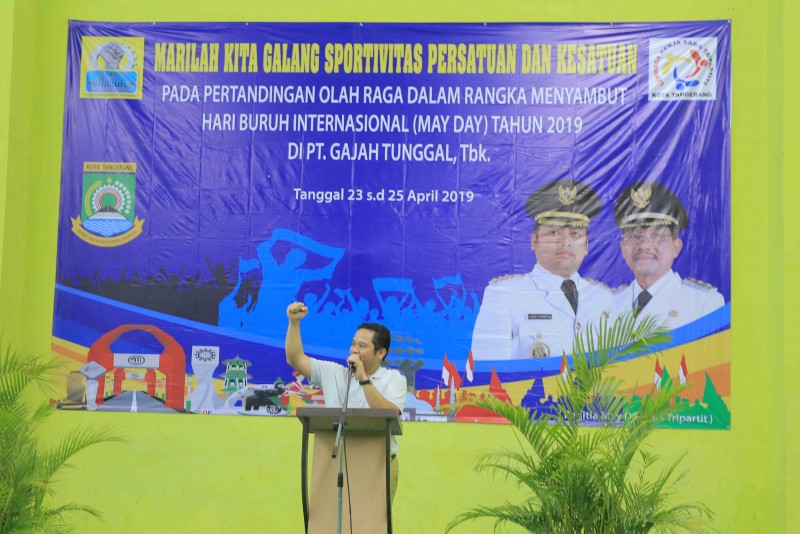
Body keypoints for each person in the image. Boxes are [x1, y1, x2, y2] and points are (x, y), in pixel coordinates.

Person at [471, 179, 615, 360]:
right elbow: (489, 370)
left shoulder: (604, 298)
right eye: (554, 232)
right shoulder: (504, 295)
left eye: (575, 234)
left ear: (586, 245)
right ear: (534, 241)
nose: (566, 242)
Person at [285, 302, 407, 500]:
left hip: (379, 466)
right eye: (353, 344)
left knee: (371, 520)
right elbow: (295, 359)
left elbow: (389, 415)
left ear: (381, 353)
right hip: (338, 464)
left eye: (362, 346)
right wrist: (293, 323)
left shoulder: (394, 379)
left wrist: (363, 378)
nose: (354, 350)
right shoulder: (333, 373)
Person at [613, 181, 724, 328]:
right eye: (635, 236)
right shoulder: (607, 304)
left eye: (656, 235)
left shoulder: (703, 304)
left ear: (676, 247)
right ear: (623, 248)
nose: (644, 245)